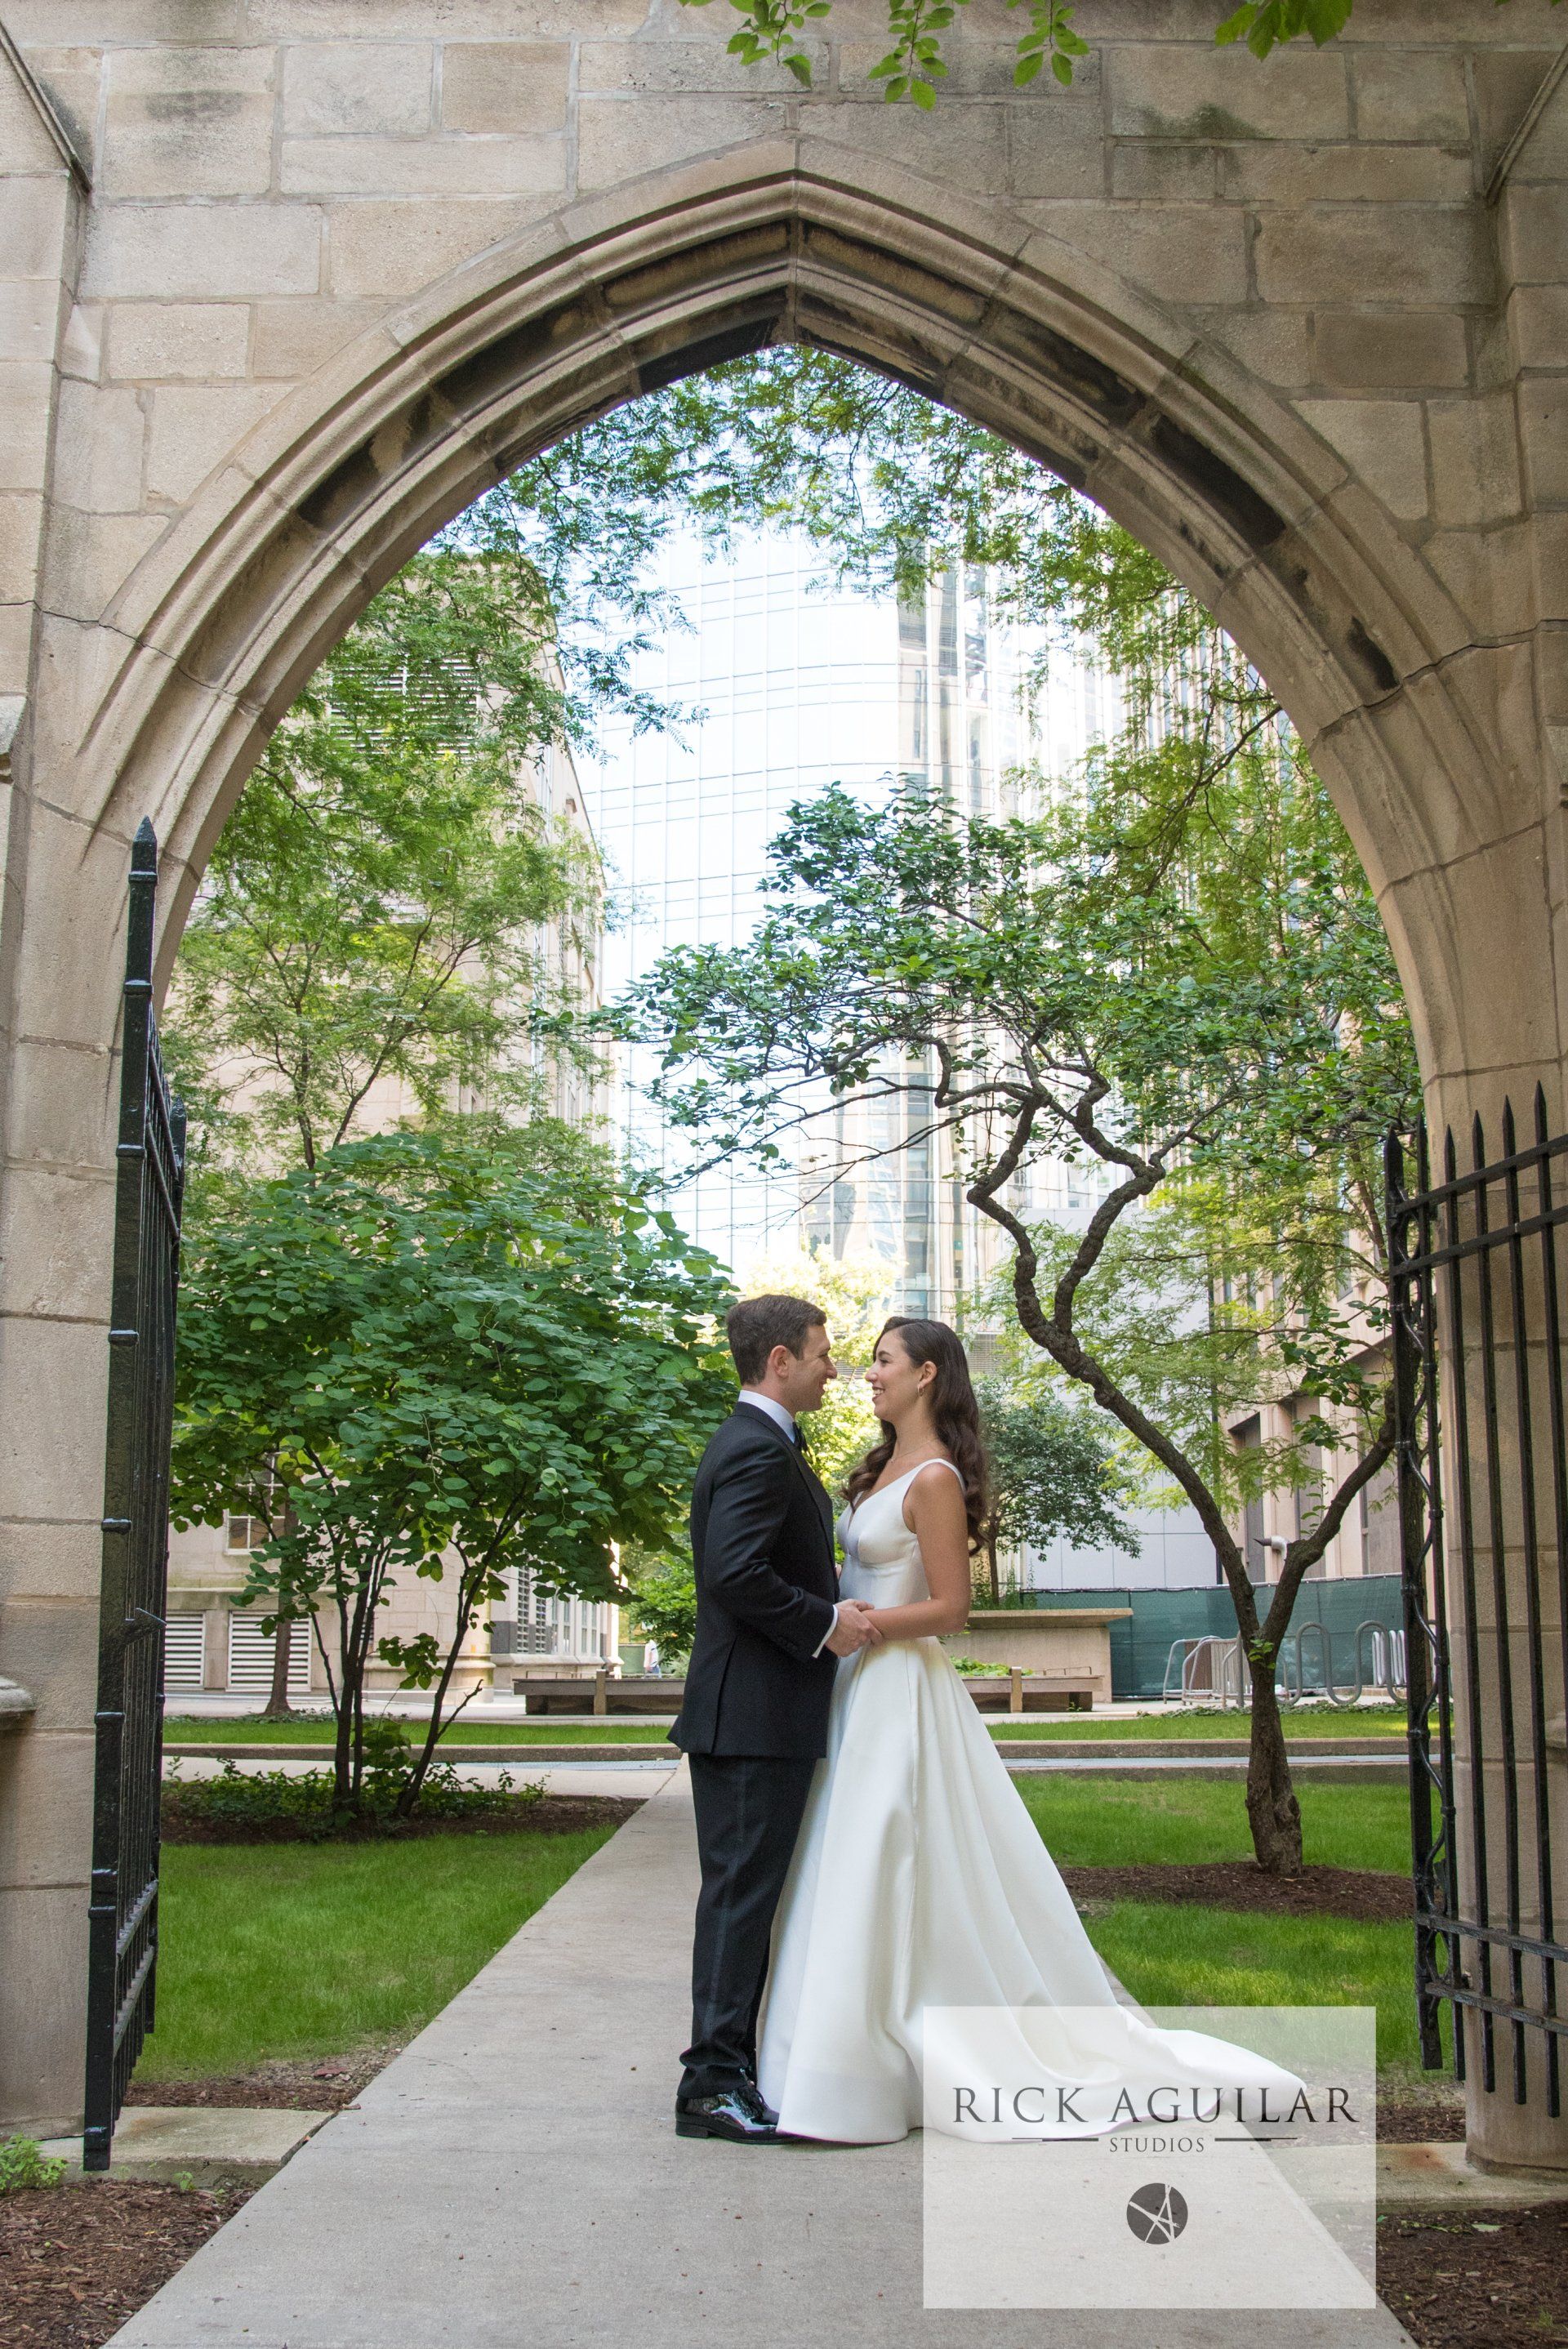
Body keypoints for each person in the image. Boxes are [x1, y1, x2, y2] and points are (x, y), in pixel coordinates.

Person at [756, 1316, 1303, 2144]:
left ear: (928, 1374)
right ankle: (841, 2060)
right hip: (854, 1682)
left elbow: (951, 1608)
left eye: (882, 1360)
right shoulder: (880, 1469)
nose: (867, 1373)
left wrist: (859, 1625)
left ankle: (878, 2061)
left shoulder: (934, 1476)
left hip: (897, 1685)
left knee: (884, 1853)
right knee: (848, 1860)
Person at [670, 1294, 881, 2145]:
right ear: (781, 1360)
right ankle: (711, 2085)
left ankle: (732, 2071)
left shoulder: (761, 1442)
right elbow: (734, 1573)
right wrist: (827, 1622)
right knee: (739, 1902)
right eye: (824, 1352)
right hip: (751, 1717)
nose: (835, 1366)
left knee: (744, 1898)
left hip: (756, 1714)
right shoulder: (757, 1448)